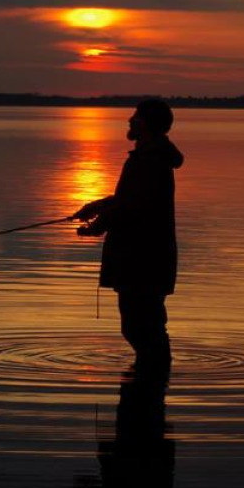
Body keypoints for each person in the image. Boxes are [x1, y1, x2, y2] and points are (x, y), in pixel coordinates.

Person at [73, 98, 183, 372]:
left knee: (141, 326)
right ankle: (153, 382)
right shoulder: (149, 157)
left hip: (142, 259)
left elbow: (133, 206)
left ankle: (154, 378)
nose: (130, 120)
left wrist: (97, 226)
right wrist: (97, 206)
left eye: (136, 116)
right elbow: (129, 199)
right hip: (143, 258)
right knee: (142, 326)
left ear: (147, 123)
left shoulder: (150, 160)